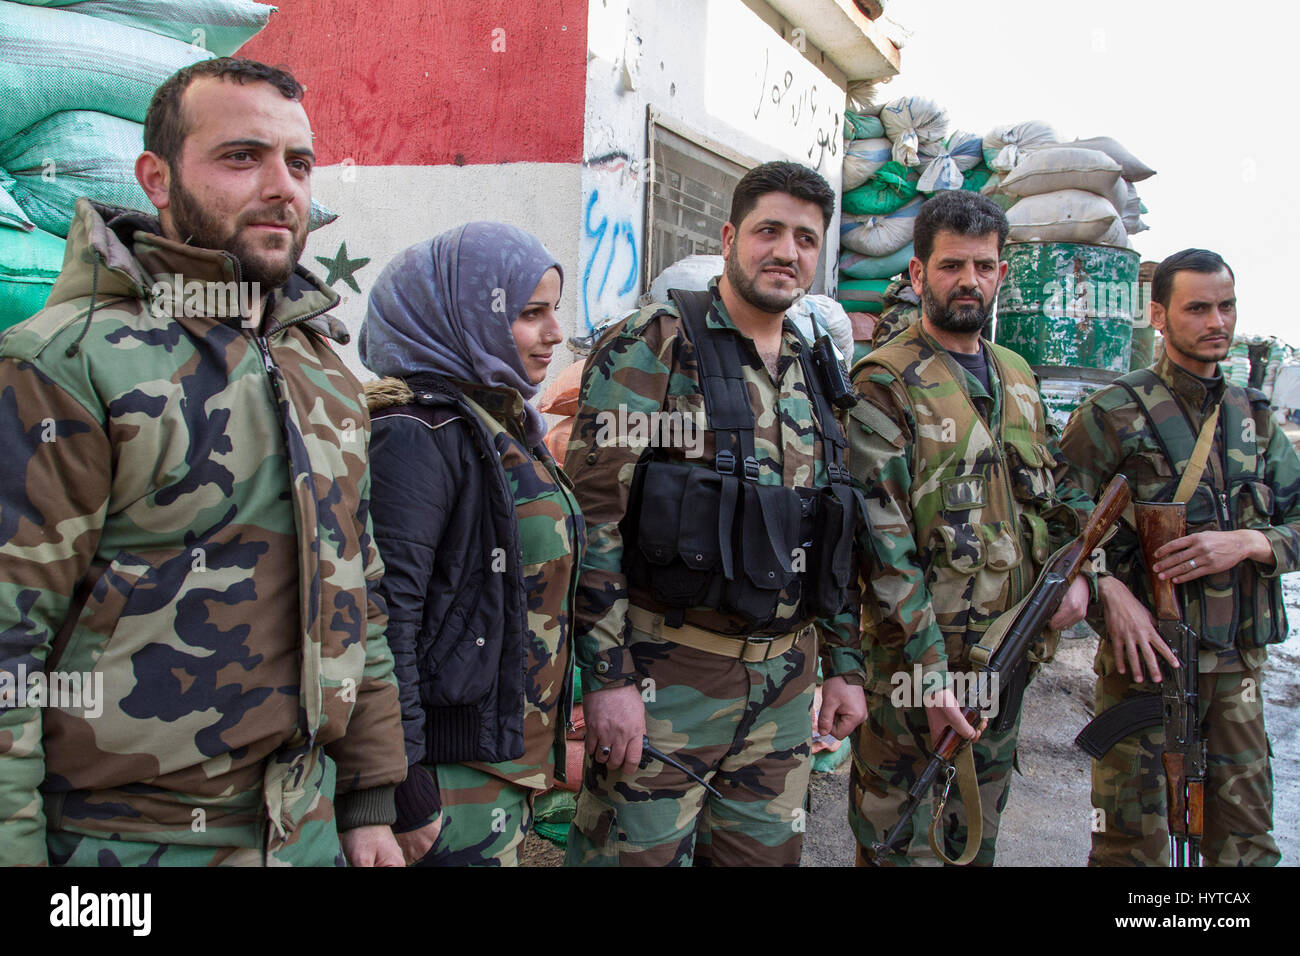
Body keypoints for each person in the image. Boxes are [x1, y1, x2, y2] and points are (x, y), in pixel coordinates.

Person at [0, 58, 406, 867]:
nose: (280, 185)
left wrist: (367, 799)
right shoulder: (66, 362)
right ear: (156, 177)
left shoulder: (320, 366)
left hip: (304, 827)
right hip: (124, 845)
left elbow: (360, 589)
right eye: (240, 157)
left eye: (298, 162)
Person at [564, 161, 867, 867]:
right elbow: (594, 521)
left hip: (785, 684)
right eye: (769, 231)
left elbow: (835, 527)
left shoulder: (815, 362)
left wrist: (845, 665)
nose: (787, 252)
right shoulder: (658, 342)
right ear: (731, 236)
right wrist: (608, 680)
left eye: (806, 239)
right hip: (669, 678)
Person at [847, 190, 1096, 866]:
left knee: (975, 833)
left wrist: (1081, 578)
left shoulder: (1017, 374)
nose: (970, 281)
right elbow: (882, 545)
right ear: (918, 272)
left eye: (984, 267)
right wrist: (929, 678)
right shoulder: (884, 382)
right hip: (912, 669)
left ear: (1002, 275)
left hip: (1005, 657)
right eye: (952, 265)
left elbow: (1055, 497)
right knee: (898, 840)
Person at [1058, 248, 1294, 866]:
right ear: (1159, 315)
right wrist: (1108, 589)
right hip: (1143, 663)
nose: (1217, 321)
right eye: (1198, 308)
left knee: (1244, 841)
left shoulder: (1257, 422)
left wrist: (1250, 541)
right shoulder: (1112, 414)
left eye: (1227, 306)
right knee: (1127, 843)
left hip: (1235, 668)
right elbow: (1057, 516)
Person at [358, 222, 583, 866]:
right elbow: (384, 617)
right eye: (529, 313)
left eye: (553, 310)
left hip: (494, 769)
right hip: (445, 779)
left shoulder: (498, 421)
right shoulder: (415, 432)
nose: (554, 333)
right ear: (458, 316)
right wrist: (398, 787)